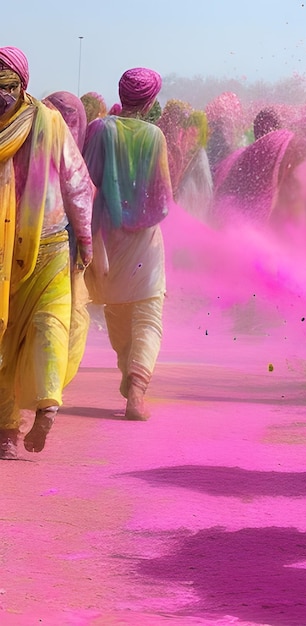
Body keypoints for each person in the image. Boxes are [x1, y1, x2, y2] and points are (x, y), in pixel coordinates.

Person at [0, 47, 94, 459]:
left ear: (22, 85)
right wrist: (86, 239)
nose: (2, 95)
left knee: (24, 332)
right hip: (49, 243)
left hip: (40, 246)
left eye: (7, 86)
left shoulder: (49, 123)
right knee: (46, 327)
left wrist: (85, 240)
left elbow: (75, 185)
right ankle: (44, 404)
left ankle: (13, 425)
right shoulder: (52, 122)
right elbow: (78, 185)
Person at [82, 67, 175, 420]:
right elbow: (164, 199)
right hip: (145, 242)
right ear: (150, 101)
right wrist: (139, 215)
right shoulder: (154, 136)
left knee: (117, 310)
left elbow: (85, 184)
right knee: (148, 315)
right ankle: (136, 387)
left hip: (107, 238)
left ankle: (129, 373)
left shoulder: (100, 129)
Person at [43, 91, 92, 387]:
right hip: (65, 250)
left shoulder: (30, 138)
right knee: (71, 317)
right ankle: (52, 385)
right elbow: (79, 195)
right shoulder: (74, 155)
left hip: (26, 245)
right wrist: (86, 243)